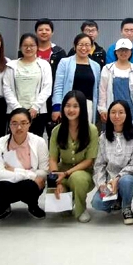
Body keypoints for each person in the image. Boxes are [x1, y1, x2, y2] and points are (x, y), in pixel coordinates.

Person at [0, 108, 50, 224]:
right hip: (8, 184)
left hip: (28, 185)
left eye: (23, 123)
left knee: (29, 185)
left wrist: (14, 170)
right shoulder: (0, 143)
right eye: (14, 123)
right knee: (0, 187)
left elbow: (44, 171)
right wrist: (29, 174)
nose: (19, 127)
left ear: (30, 123)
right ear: (9, 124)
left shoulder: (39, 142)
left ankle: (33, 206)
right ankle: (4, 208)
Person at [49, 90, 99, 223]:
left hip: (83, 172)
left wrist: (66, 173)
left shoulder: (92, 130)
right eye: (67, 105)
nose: (71, 110)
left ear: (82, 109)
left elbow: (89, 161)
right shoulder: (56, 130)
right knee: (61, 209)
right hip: (61, 172)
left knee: (77, 178)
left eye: (75, 106)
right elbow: (53, 159)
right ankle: (67, 201)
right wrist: (56, 180)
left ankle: (81, 208)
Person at [92, 100, 133, 225]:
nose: (117, 116)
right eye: (113, 112)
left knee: (126, 181)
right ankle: (117, 200)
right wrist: (101, 184)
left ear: (127, 115)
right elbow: (99, 165)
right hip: (110, 182)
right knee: (97, 203)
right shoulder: (103, 138)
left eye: (121, 112)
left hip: (130, 178)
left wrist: (118, 178)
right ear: (109, 115)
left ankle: (126, 208)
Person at [3, 33, 53, 138]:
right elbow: (7, 89)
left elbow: (47, 88)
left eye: (32, 45)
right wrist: (18, 109)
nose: (28, 48)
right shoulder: (11, 66)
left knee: (35, 142)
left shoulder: (44, 65)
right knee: (15, 141)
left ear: (37, 47)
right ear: (20, 47)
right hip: (15, 112)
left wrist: (35, 107)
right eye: (25, 45)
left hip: (37, 113)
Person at [52, 33, 101, 124]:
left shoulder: (96, 66)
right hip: (69, 105)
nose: (84, 48)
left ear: (91, 47)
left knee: (86, 131)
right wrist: (56, 108)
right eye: (80, 45)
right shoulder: (65, 62)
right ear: (74, 46)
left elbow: (97, 89)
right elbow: (58, 86)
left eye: (87, 45)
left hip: (88, 106)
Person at [34, 19, 67, 135]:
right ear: (36, 32)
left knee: (54, 134)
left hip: (52, 98)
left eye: (47, 30)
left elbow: (62, 79)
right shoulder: (29, 49)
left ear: (52, 32)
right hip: (34, 99)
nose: (44, 32)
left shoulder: (59, 52)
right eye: (40, 30)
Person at [98, 38, 133, 128]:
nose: (123, 53)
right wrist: (102, 109)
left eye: (126, 50)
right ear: (116, 52)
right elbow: (102, 91)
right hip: (111, 109)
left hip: (131, 110)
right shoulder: (107, 69)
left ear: (131, 52)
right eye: (121, 50)